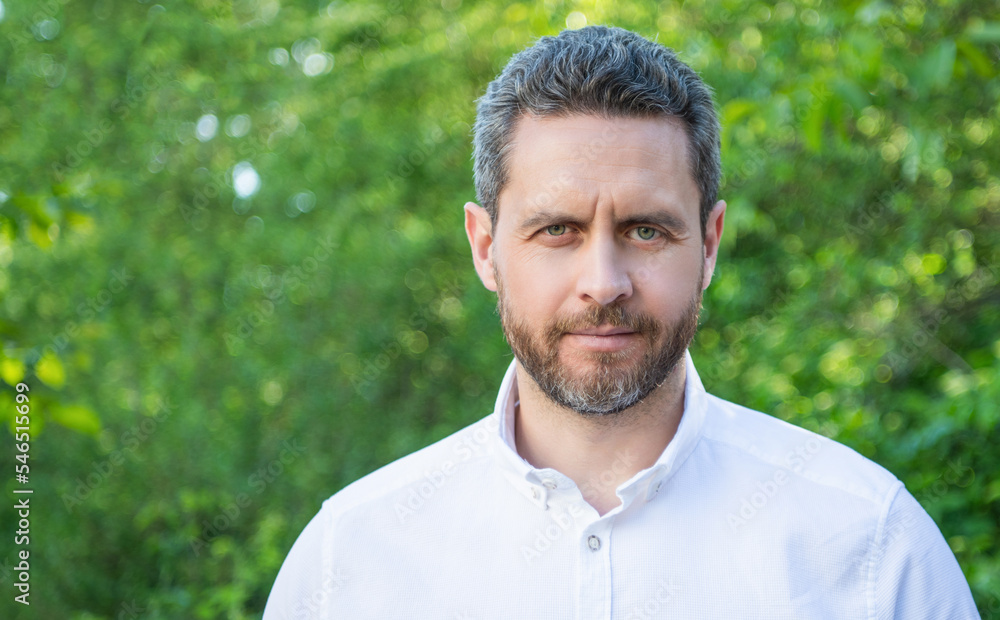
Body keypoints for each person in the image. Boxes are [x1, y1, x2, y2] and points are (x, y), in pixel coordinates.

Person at [263, 25, 979, 619]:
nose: (603, 285)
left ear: (709, 244)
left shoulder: (871, 548)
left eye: (645, 231)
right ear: (486, 248)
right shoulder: (347, 565)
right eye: (557, 231)